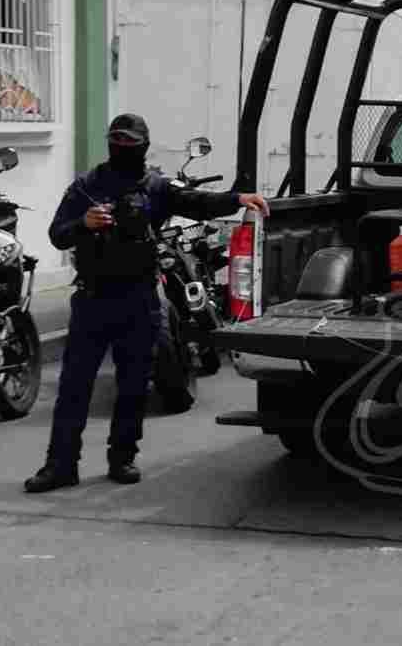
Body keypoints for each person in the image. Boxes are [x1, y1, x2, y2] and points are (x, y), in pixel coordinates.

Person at [25, 114, 269, 493]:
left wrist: (237, 199)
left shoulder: (154, 188)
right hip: (92, 298)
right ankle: (60, 465)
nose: (122, 147)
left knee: (134, 384)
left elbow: (196, 202)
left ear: (142, 144)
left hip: (139, 297)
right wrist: (84, 224)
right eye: (116, 140)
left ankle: (122, 457)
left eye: (129, 141)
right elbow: (57, 235)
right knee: (74, 386)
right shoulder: (85, 189)